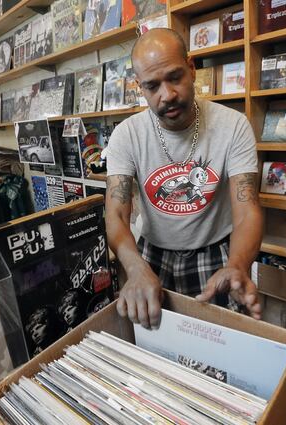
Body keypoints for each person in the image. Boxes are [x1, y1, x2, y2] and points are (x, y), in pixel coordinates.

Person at [105, 28, 263, 330]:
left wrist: (238, 266)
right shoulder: (127, 135)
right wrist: (135, 267)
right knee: (153, 343)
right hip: (152, 252)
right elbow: (115, 214)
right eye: (152, 86)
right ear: (140, 87)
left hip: (215, 251)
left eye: (175, 77)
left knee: (217, 343)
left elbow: (247, 210)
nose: (168, 95)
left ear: (191, 69)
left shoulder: (233, 126)